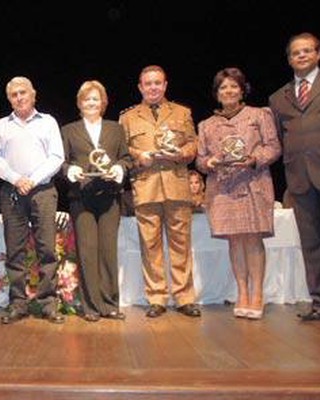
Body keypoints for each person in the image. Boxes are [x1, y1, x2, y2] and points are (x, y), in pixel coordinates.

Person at [197, 67, 281, 320]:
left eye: (234, 86)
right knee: (235, 241)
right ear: (216, 93)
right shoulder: (206, 125)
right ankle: (242, 293)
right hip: (222, 189)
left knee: (253, 239)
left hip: (253, 184)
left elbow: (273, 147)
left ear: (242, 89)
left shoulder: (259, 115)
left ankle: (257, 295)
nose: (229, 91)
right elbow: (200, 160)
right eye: (223, 87)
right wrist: (209, 163)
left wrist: (254, 159)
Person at [119, 65, 201, 318]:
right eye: (148, 83)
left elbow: (193, 143)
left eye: (157, 83)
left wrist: (182, 153)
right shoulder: (128, 117)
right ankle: (156, 297)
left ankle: (185, 297)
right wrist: (138, 156)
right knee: (150, 245)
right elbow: (122, 151)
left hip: (177, 184)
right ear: (140, 87)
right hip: (146, 186)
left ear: (165, 85)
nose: (153, 87)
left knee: (181, 243)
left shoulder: (182, 112)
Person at [0, 76, 65, 324]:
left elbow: (56, 157)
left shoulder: (48, 122)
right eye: (14, 94)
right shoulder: (2, 125)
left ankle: (48, 303)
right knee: (14, 252)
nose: (19, 97)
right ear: (9, 99)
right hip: (12, 192)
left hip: (42, 191)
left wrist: (31, 179)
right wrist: (16, 179)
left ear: (33, 95)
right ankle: (18, 303)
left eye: (23, 93)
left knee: (47, 250)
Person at [60, 80, 132, 322]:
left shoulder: (116, 129)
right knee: (87, 252)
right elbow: (62, 161)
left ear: (103, 102)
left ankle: (110, 304)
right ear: (80, 104)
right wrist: (69, 171)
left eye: (95, 99)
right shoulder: (69, 130)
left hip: (110, 196)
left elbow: (126, 158)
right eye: (87, 99)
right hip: (81, 198)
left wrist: (120, 169)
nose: (91, 103)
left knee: (108, 252)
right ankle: (90, 306)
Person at [269, 32, 320, 321]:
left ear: (317, 54)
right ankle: (317, 301)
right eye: (295, 53)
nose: (301, 56)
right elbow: (279, 138)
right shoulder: (278, 98)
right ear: (289, 59)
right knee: (311, 243)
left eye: (307, 51)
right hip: (300, 179)